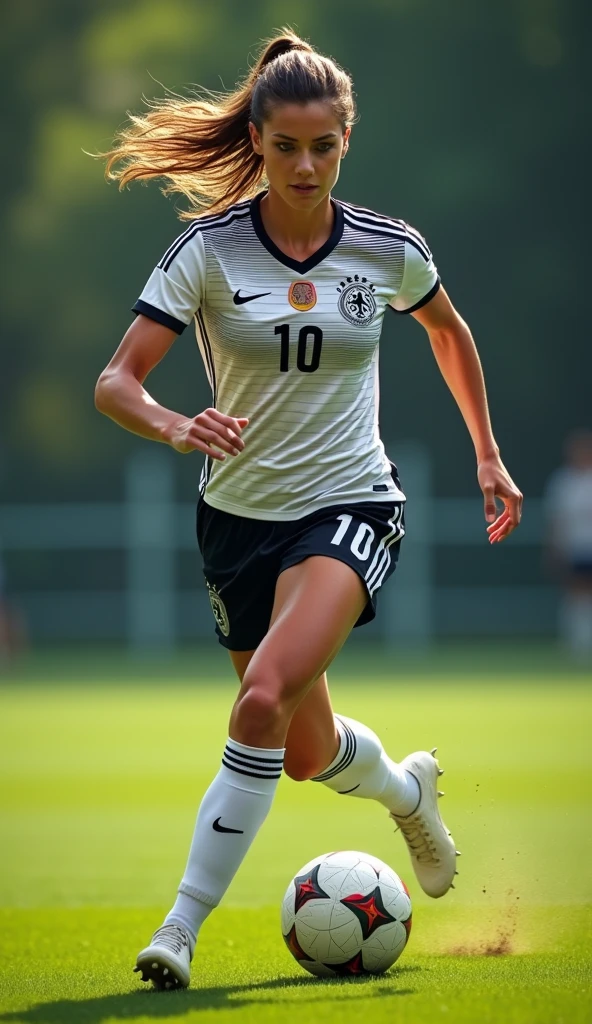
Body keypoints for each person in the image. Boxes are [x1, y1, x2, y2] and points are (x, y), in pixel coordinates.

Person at [94, 31, 523, 989]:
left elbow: (450, 335)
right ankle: (408, 790)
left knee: (256, 698)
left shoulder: (386, 247)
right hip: (236, 524)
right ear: (257, 137)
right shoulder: (206, 250)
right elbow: (116, 383)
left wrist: (488, 456)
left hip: (351, 505)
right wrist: (174, 425)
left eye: (323, 146)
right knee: (301, 748)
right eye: (285, 145)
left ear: (345, 142)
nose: (304, 164)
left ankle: (180, 929)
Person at [544, 429, 592, 658]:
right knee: (577, 594)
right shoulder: (563, 482)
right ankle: (578, 644)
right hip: (575, 547)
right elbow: (556, 519)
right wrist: (554, 547)